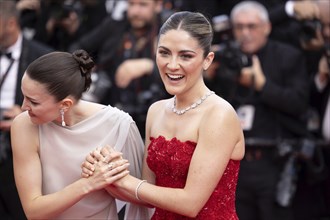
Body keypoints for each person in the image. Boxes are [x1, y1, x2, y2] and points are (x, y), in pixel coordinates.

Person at [82, 11, 245, 219]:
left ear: (207, 60)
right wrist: (107, 172)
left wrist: (128, 182)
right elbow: (148, 194)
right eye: (164, 53)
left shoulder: (219, 115)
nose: (172, 65)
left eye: (185, 56)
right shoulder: (156, 110)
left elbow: (190, 204)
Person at [10, 49, 152, 219]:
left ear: (65, 105)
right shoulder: (23, 125)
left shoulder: (119, 124)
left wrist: (111, 179)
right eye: (23, 95)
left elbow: (144, 199)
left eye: (33, 101)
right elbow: (33, 210)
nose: (24, 106)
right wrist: (89, 183)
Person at [211, 2, 309, 220]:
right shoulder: (225, 58)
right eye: (239, 27)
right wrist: (207, 77)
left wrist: (262, 85)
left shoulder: (288, 56)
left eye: (252, 26)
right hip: (233, 164)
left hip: (275, 160)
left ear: (266, 27)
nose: (245, 33)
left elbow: (300, 104)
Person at [69, 0, 170, 138]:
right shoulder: (115, 26)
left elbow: (184, 71)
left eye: (142, 5)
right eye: (131, 4)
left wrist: (150, 66)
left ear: (158, 5)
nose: (135, 11)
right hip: (111, 110)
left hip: (156, 117)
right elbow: (77, 48)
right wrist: (90, 68)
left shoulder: (169, 32)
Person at [0, 0, 53, 219]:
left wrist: (26, 116)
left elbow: (58, 106)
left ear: (10, 23)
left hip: (24, 146)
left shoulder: (42, 57)